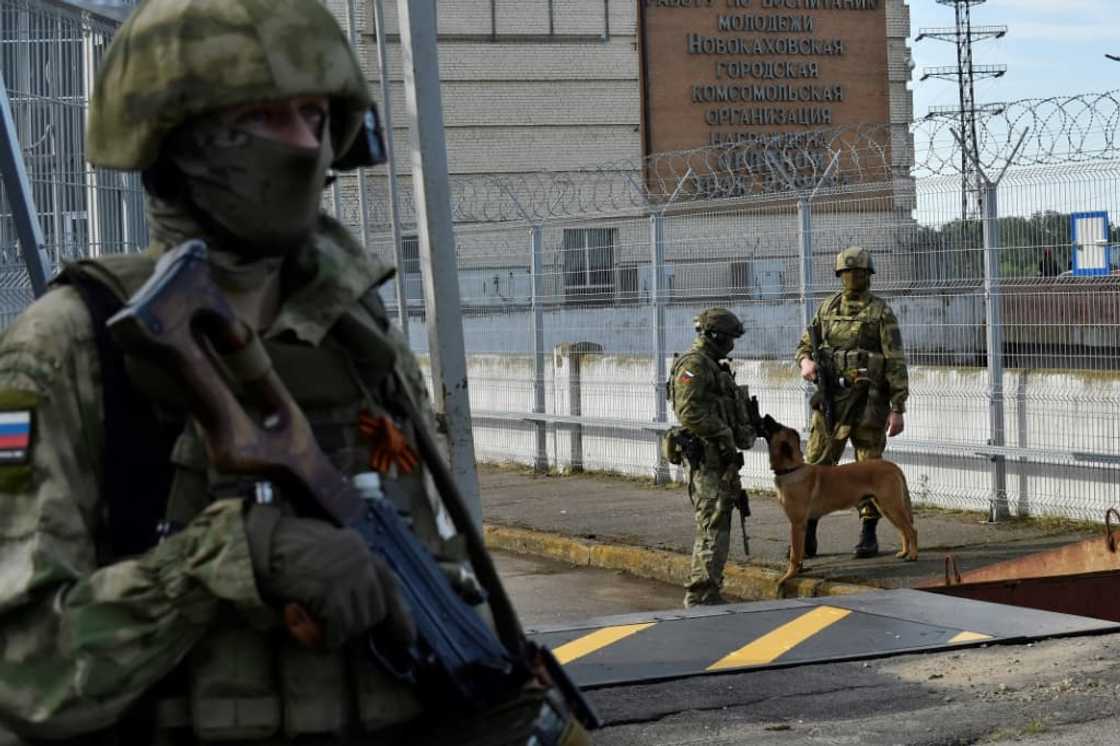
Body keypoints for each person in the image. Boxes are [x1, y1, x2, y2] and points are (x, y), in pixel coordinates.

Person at [0, 2, 587, 744]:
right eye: (266, 118)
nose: (305, 145)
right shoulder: (69, 348)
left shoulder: (354, 331)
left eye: (315, 116)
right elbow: (22, 675)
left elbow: (439, 557)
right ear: (174, 140)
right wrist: (229, 558)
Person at [794, 246, 909, 559]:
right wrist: (806, 362)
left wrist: (898, 407)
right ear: (840, 275)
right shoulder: (827, 308)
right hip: (833, 400)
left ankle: (868, 534)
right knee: (817, 463)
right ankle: (809, 533)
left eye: (859, 272)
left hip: (870, 401)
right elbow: (804, 345)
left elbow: (895, 361)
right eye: (848, 273)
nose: (854, 278)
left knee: (868, 467)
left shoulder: (880, 312)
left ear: (869, 275)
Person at [668, 307, 753, 607]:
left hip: (721, 459)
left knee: (718, 523)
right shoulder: (694, 365)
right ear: (715, 336)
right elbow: (689, 412)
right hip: (707, 459)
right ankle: (701, 593)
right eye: (729, 339)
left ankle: (709, 588)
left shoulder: (713, 365)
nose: (731, 345)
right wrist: (724, 434)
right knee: (712, 524)